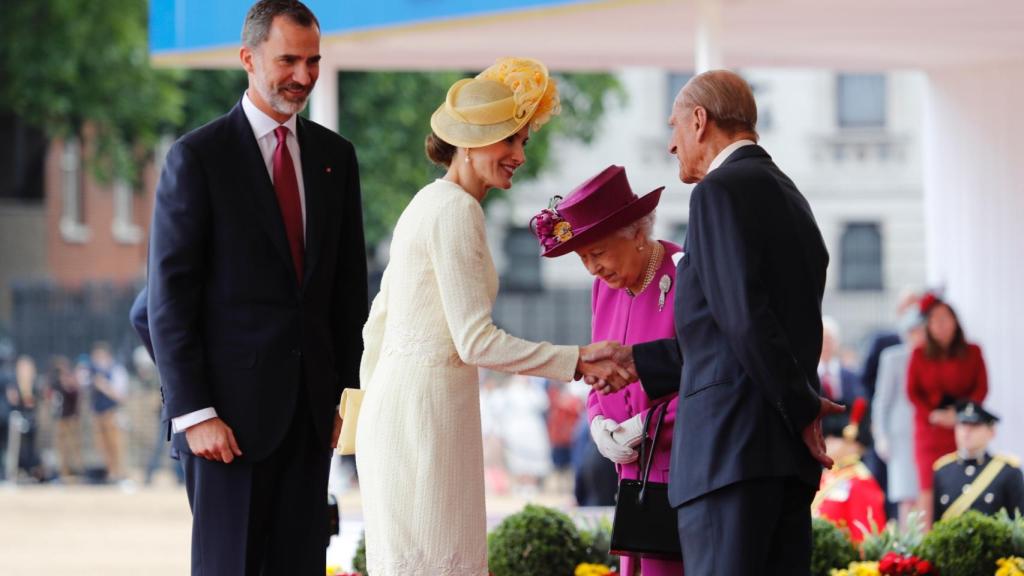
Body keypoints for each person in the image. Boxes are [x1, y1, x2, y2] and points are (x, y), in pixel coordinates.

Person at [354, 57, 626, 576]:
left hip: (408, 413)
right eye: (511, 141)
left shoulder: (428, 202)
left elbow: (376, 325)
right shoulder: (455, 208)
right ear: (473, 143)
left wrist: (372, 413)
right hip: (423, 417)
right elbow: (475, 342)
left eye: (523, 140)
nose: (521, 155)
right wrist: (577, 360)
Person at [584, 70, 840, 575]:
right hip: (780, 461)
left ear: (699, 121)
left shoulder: (719, 191)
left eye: (674, 127)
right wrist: (636, 360)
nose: (671, 145)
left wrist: (802, 408)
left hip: (729, 458)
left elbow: (744, 319)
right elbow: (732, 331)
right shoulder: (792, 197)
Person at [143, 1, 369, 573]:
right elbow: (167, 301)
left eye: (313, 60)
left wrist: (340, 392)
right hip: (224, 427)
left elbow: (345, 287)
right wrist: (194, 413)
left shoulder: (335, 157)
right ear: (248, 58)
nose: (304, 76)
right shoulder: (197, 158)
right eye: (288, 59)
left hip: (309, 419)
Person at [533, 164, 683, 576]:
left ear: (636, 233)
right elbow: (599, 369)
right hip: (628, 471)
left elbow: (709, 375)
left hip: (679, 471)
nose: (592, 269)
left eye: (597, 253)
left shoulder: (685, 274)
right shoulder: (604, 288)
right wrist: (598, 419)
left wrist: (646, 425)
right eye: (583, 258)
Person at [907, 295, 987, 525]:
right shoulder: (919, 354)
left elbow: (981, 388)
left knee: (964, 482)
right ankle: (927, 542)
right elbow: (913, 393)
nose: (940, 325)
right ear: (928, 326)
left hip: (963, 428)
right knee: (928, 488)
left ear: (955, 322)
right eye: (934, 320)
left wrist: (960, 416)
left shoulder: (973, 352)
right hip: (930, 430)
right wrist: (933, 415)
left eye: (945, 319)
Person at [871, 303, 925, 525]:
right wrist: (881, 436)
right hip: (900, 436)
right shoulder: (893, 357)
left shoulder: (933, 359)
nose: (918, 336)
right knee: (905, 495)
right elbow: (882, 400)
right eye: (913, 331)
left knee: (926, 493)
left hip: (926, 434)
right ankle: (906, 549)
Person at [932, 402, 1024, 520]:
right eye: (962, 424)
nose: (967, 431)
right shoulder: (943, 471)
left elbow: (1019, 524)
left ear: (991, 432)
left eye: (975, 425)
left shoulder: (1008, 472)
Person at [812, 398, 887, 542]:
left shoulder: (860, 482)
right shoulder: (828, 475)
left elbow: (866, 537)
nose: (827, 442)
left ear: (851, 439)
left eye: (833, 437)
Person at [89, 341, 127, 482]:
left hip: (112, 413)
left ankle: (119, 473)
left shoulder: (117, 371)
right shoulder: (92, 373)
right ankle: (110, 473)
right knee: (102, 446)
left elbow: (121, 396)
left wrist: (103, 385)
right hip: (98, 413)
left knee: (116, 445)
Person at [49, 355, 83, 481]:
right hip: (60, 418)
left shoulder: (70, 379)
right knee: (61, 447)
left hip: (71, 417)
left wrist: (68, 382)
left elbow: (76, 394)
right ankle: (64, 472)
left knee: (74, 445)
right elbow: (52, 398)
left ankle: (78, 472)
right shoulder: (54, 382)